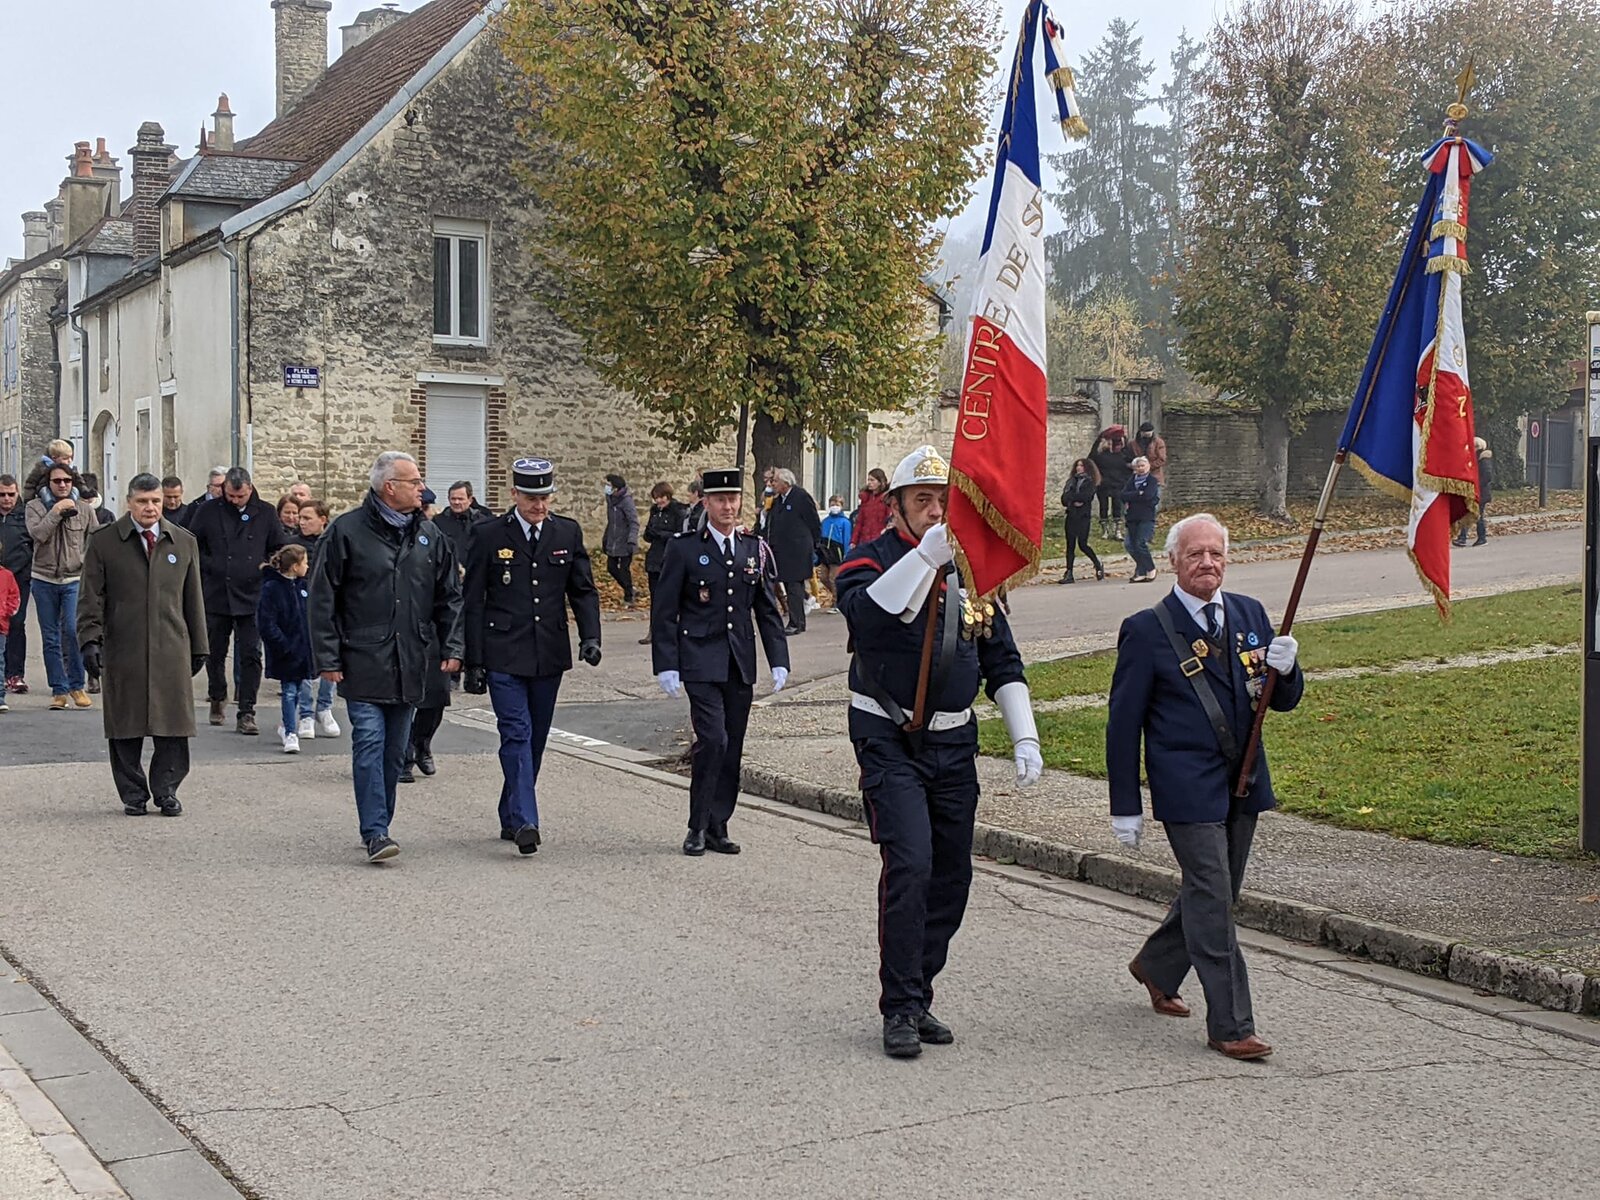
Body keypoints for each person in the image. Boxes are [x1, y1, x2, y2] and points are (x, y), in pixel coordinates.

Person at [835, 444, 1043, 1059]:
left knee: (952, 875)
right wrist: (925, 559)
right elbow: (868, 620)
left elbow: (1003, 659)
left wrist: (1024, 733)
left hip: (955, 742)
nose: (935, 511)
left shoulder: (976, 571)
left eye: (943, 501)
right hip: (889, 737)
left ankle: (920, 990)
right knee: (912, 864)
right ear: (896, 506)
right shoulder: (868, 559)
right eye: (922, 500)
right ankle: (898, 1005)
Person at [1107, 513, 1304, 1061]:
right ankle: (1231, 1025)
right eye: (1195, 554)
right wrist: (1125, 804)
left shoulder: (1249, 614)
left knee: (1217, 891)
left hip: (1244, 777)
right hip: (1185, 786)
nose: (1207, 563)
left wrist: (1289, 670)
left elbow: (1280, 701)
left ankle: (1157, 964)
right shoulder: (1147, 630)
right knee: (1214, 898)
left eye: (1215, 553)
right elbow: (1123, 724)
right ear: (1173, 561)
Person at [308, 451, 463, 864]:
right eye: (414, 481)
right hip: (362, 658)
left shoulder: (429, 535)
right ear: (389, 487)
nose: (422, 488)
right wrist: (328, 657)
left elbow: (449, 597)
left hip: (412, 658)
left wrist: (453, 647)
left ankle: (381, 823)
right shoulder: (346, 532)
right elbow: (322, 599)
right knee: (369, 742)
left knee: (395, 753)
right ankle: (375, 831)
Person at [463, 457, 603, 853]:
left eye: (544, 497)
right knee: (516, 733)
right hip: (503, 652)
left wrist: (591, 636)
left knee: (536, 739)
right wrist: (473, 661)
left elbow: (582, 590)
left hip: (548, 652)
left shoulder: (566, 532)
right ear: (514, 495)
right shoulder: (489, 534)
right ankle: (527, 820)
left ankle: (511, 811)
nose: (539, 505)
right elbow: (472, 601)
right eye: (530, 498)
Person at [652, 466, 789, 856]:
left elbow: (766, 609)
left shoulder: (752, 548)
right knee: (713, 740)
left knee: (732, 747)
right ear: (706, 503)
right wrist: (666, 663)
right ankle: (697, 825)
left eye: (733, 499)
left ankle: (718, 825)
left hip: (738, 661)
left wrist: (778, 658)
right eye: (720, 500)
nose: (728, 506)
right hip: (699, 659)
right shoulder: (684, 548)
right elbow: (665, 611)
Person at [76, 473, 208, 817]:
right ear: (129, 503)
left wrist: (200, 646)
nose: (150, 508)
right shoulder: (105, 542)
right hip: (124, 645)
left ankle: (167, 790)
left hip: (171, 646)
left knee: (173, 724)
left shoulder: (182, 542)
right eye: (143, 501)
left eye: (155, 501)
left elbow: (193, 599)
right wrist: (89, 639)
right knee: (125, 723)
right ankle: (133, 793)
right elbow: (91, 596)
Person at [188, 466, 287, 734]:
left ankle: (247, 710)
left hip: (252, 593)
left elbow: (278, 546)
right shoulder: (208, 511)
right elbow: (192, 544)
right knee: (214, 652)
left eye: (240, 496)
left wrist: (267, 566)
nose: (234, 501)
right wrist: (209, 565)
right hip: (216, 592)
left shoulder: (265, 513)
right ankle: (217, 695)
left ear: (250, 489)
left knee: (251, 654)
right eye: (230, 496)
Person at [25, 462, 96, 711]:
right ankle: (59, 689)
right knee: (51, 637)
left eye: (67, 480)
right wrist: (55, 511)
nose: (63, 485)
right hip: (43, 579)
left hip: (74, 580)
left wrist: (86, 563)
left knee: (72, 631)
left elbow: (95, 539)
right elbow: (38, 534)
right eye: (57, 481)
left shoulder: (84, 509)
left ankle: (77, 685)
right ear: (48, 484)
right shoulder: (34, 507)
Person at [401, 488, 451, 784]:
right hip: (401, 626)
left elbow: (450, 588)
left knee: (436, 696)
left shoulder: (434, 537)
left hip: (432, 626)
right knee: (405, 697)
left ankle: (422, 743)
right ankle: (403, 756)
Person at [257, 544, 314, 754]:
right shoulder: (272, 588)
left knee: (297, 689)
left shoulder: (303, 586)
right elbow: (266, 623)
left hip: (303, 650)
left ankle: (286, 724)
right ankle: (291, 732)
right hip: (286, 651)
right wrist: (283, 645)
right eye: (305, 562)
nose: (307, 566)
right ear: (294, 566)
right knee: (289, 691)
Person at [291, 499, 339, 738]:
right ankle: (306, 712)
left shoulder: (333, 542)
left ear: (322, 520)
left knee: (330, 657)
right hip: (300, 607)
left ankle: (325, 707)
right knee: (304, 660)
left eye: (307, 518)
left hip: (328, 607)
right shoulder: (292, 544)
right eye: (300, 518)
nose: (302, 522)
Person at [765, 468, 822, 635]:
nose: (773, 484)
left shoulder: (801, 497)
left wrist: (816, 543)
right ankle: (798, 621)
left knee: (794, 586)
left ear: (786, 483)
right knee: (790, 585)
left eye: (775, 481)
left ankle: (796, 623)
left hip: (798, 549)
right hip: (783, 549)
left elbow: (813, 521)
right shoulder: (778, 500)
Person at [640, 481, 688, 644]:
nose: (659, 501)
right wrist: (650, 533)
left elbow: (679, 535)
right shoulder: (655, 511)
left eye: (661, 497)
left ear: (668, 496)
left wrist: (662, 534)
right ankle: (653, 631)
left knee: (672, 597)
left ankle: (674, 629)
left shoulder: (678, 511)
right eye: (656, 498)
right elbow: (648, 535)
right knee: (655, 598)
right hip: (655, 558)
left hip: (670, 558)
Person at [0, 474, 33, 694]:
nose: (6, 499)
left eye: (11, 494)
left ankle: (15, 674)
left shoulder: (25, 516)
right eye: (2, 494)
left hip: (19, 578)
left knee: (16, 624)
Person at [1059, 459, 1104, 584]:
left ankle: (1097, 563)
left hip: (1083, 517)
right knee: (1070, 545)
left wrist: (1073, 498)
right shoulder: (1071, 481)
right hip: (1071, 515)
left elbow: (1086, 497)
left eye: (1082, 466)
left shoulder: (1090, 482)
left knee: (1082, 544)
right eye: (1077, 465)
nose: (1079, 468)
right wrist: (1073, 500)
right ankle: (1069, 572)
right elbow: (1064, 499)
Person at [601, 473, 640, 607]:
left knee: (624, 569)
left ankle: (629, 596)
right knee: (611, 568)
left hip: (626, 542)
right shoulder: (610, 500)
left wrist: (632, 540)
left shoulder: (626, 501)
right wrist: (606, 538)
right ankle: (630, 588)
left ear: (616, 488)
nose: (606, 487)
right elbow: (611, 522)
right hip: (613, 540)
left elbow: (634, 522)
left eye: (609, 485)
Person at [1122, 456, 1161, 583]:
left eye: (1143, 465)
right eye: (1138, 466)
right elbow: (1123, 495)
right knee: (1130, 545)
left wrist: (1134, 497)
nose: (1141, 468)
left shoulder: (1152, 481)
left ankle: (1150, 568)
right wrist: (1138, 494)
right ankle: (1142, 569)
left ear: (1148, 466)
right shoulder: (1131, 480)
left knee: (1140, 543)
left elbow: (1149, 496)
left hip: (1146, 516)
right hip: (1132, 517)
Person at [1091, 430, 1133, 540]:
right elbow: (1091, 458)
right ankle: (1105, 530)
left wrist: (1125, 480)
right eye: (1116, 444)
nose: (1118, 447)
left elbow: (1132, 462)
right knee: (1103, 507)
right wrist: (1099, 439)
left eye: (1120, 444)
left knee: (1117, 507)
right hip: (1103, 484)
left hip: (1118, 484)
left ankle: (1117, 531)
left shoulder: (1124, 455)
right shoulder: (1101, 455)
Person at [1454, 437, 1492, 547]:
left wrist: (1476, 486)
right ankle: (1466, 538)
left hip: (1480, 493)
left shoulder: (1483, 460)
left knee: (1475, 515)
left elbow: (1487, 476)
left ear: (1477, 447)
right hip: (1475, 492)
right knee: (1470, 514)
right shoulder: (1476, 459)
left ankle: (1475, 538)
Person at [434, 480, 493, 550]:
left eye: (460, 499)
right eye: (453, 499)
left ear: (470, 500)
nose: (456, 502)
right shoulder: (438, 521)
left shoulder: (481, 522)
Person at [818, 495, 852, 609]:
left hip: (837, 553)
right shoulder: (825, 521)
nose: (834, 507)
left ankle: (836, 602)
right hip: (825, 552)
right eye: (832, 504)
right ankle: (837, 594)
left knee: (833, 578)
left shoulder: (845, 522)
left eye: (837, 504)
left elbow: (847, 539)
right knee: (823, 577)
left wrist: (846, 554)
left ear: (842, 506)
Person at [850, 469, 892, 549]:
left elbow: (890, 520)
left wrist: (884, 534)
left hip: (880, 540)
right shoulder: (866, 499)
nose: (869, 482)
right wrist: (854, 541)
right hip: (864, 540)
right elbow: (859, 522)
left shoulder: (886, 498)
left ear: (880, 482)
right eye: (868, 480)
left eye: (872, 480)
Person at [0, 559, 17, 714]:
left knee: (0, 661)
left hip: (0, 626)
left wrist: (6, 612)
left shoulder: (7, 575)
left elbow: (14, 597)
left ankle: (0, 697)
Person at [1135, 421, 1168, 486]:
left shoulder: (1158, 442)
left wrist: (1148, 466)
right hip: (1138, 477)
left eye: (1148, 435)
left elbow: (1162, 459)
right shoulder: (1133, 443)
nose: (1147, 437)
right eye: (1145, 435)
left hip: (1155, 476)